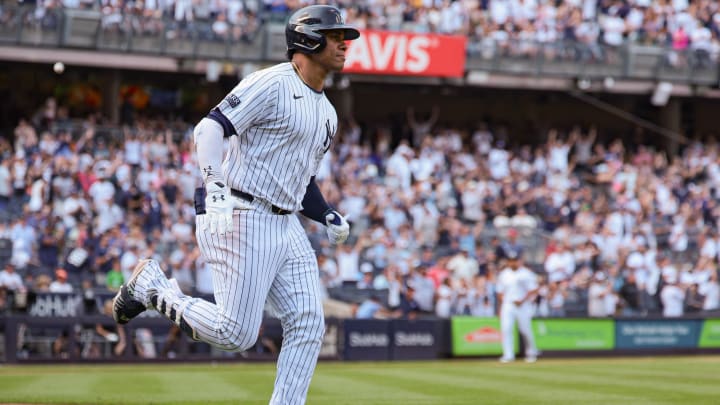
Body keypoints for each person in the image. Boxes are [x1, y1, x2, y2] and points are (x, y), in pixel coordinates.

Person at [112, 5, 359, 405]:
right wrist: (214, 184)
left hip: (285, 223)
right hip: (241, 211)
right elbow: (210, 127)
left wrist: (327, 212)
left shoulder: (328, 112)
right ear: (308, 39)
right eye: (335, 36)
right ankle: (153, 288)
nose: (343, 44)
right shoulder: (271, 84)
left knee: (309, 322)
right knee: (236, 333)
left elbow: (303, 181)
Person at [496, 250, 539, 363]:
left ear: (519, 261)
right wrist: (501, 306)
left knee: (525, 330)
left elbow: (534, 289)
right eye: (510, 261)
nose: (512, 263)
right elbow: (500, 292)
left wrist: (523, 300)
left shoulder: (526, 273)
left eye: (514, 260)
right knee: (506, 329)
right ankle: (508, 354)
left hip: (523, 305)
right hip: (508, 304)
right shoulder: (504, 274)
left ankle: (531, 352)